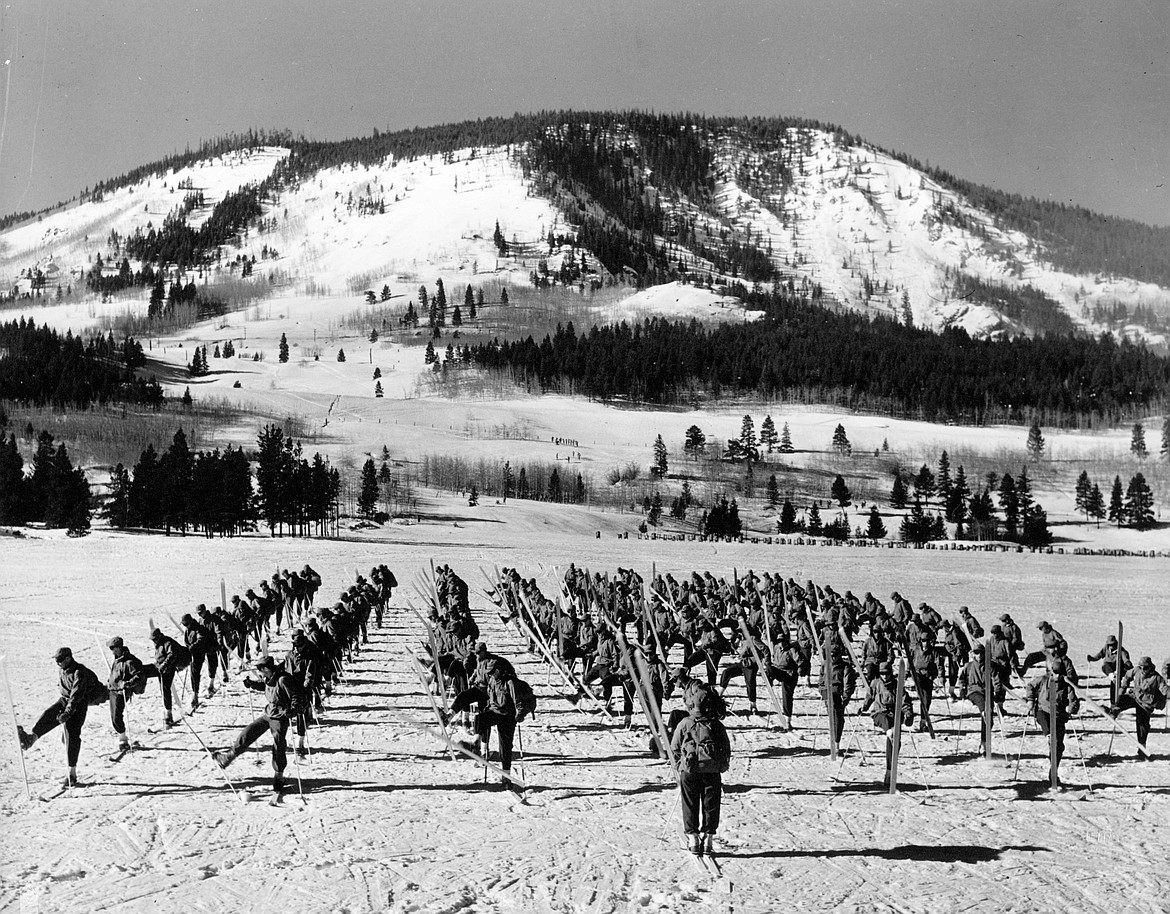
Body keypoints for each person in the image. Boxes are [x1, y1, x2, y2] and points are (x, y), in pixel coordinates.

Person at [17, 647, 108, 787]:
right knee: (49, 715)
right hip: (66, 699)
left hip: (79, 703)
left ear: (68, 658)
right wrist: (63, 709)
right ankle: (31, 739)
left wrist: (67, 713)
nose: (57, 663)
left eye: (59, 660)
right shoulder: (63, 670)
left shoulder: (79, 673)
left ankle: (72, 773)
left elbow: (76, 696)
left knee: (71, 734)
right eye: (55, 660)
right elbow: (66, 692)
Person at [213, 656, 300, 792]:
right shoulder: (268, 678)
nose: (259, 672)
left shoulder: (283, 680)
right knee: (249, 732)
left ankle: (279, 775)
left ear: (266, 668)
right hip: (269, 713)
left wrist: (292, 711)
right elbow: (264, 686)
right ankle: (228, 757)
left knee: (278, 744)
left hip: (280, 717)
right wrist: (252, 684)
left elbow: (296, 697)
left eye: (260, 669)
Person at [670, 681, 731, 855]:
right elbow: (726, 748)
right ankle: (709, 838)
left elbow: (674, 747)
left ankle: (693, 838)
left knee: (690, 803)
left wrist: (678, 766)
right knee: (711, 804)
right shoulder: (716, 725)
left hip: (689, 770)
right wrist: (722, 765)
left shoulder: (685, 723)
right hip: (712, 770)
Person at [1026, 653, 1079, 785]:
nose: (1056, 676)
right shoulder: (1044, 680)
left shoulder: (1067, 685)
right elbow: (1030, 686)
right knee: (1050, 732)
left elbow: (1074, 700)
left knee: (1059, 747)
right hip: (1042, 710)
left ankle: (1053, 772)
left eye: (1059, 673)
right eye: (1054, 672)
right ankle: (1048, 734)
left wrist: (1072, 708)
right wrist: (1030, 700)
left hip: (1059, 715)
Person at [1112, 657, 1170, 756]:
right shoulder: (1137, 670)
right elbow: (1127, 676)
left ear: (1150, 667)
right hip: (1135, 696)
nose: (1143, 670)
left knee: (1142, 726)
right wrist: (1123, 687)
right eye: (1141, 667)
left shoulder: (1156, 677)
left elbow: (1164, 689)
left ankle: (1142, 748)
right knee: (1122, 699)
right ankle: (1114, 711)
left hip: (1146, 704)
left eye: (1145, 668)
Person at [106, 636, 147, 752]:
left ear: (118, 647)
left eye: (112, 648)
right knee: (114, 716)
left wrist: (127, 684)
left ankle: (123, 739)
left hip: (121, 692)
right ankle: (122, 737)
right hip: (113, 690)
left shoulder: (130, 661)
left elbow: (139, 676)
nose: (111, 650)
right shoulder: (117, 659)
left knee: (116, 716)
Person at [143, 627, 185, 729]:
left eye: (154, 639)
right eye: (152, 640)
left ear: (159, 636)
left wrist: (164, 666)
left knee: (165, 689)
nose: (153, 641)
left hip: (168, 669)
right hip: (159, 667)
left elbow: (172, 655)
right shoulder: (158, 643)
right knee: (143, 670)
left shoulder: (167, 642)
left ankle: (168, 715)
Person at [1087, 635, 1132, 702]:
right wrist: (1092, 659)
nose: (1111, 646)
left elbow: (1126, 659)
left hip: (1118, 669)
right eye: (1109, 644)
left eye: (1113, 644)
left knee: (1115, 685)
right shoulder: (1106, 648)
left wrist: (1127, 663)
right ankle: (1112, 676)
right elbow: (1100, 654)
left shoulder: (1121, 651)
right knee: (1105, 665)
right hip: (1109, 668)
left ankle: (1115, 701)